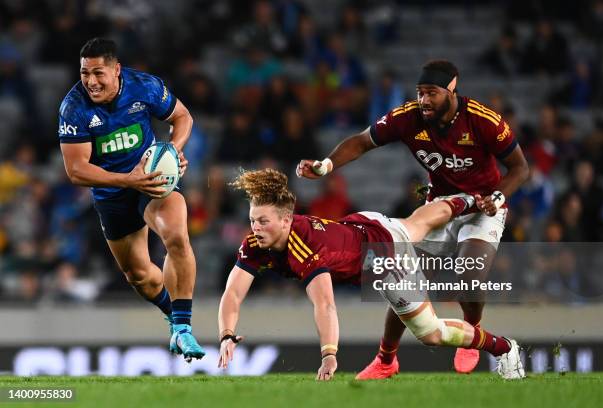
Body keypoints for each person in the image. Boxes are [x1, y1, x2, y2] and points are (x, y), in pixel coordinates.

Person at [297, 60, 529, 377]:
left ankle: (470, 333)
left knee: (468, 279)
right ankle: (386, 359)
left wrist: (499, 196)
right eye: (420, 93)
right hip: (440, 205)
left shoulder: (483, 119)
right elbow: (361, 141)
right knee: (404, 280)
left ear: (451, 89)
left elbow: (520, 168)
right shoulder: (408, 117)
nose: (424, 100)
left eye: (431, 93)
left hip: (484, 205)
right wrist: (326, 165)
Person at [217, 168, 525, 381]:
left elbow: (325, 304)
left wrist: (329, 355)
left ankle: (505, 348)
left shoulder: (305, 246)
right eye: (252, 220)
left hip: (383, 254)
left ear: (286, 220)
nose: (255, 228)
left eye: (263, 221)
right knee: (415, 224)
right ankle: (467, 199)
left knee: (431, 333)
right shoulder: (255, 244)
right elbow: (233, 293)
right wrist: (227, 335)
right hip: (360, 225)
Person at [58, 38, 204, 361]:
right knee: (139, 277)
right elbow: (76, 170)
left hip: (151, 182)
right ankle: (172, 315)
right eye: (84, 73)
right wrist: (127, 179)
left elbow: (183, 119)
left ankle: (183, 328)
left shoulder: (144, 87)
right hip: (111, 193)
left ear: (116, 70)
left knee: (176, 235)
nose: (91, 82)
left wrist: (172, 151)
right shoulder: (74, 107)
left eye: (98, 73)